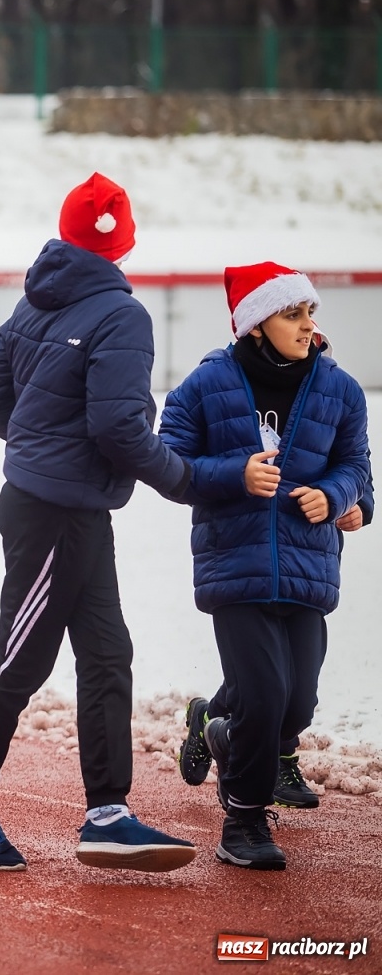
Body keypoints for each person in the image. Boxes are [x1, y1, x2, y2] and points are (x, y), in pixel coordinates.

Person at [0, 172, 198, 873]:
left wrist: (35, 449)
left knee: (108, 653)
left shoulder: (35, 297)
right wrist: (185, 480)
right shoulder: (122, 314)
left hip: (67, 507)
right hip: (53, 511)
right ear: (125, 238)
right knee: (23, 660)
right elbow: (118, 426)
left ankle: (108, 812)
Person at [160, 264, 372, 871]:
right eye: (293, 315)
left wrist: (338, 498)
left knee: (295, 704)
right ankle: (244, 823)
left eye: (311, 313)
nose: (309, 327)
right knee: (264, 690)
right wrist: (236, 474)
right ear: (256, 325)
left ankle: (219, 728)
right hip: (235, 563)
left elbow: (356, 464)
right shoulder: (205, 386)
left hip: (310, 565)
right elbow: (169, 461)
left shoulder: (340, 389)